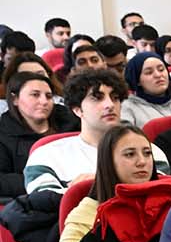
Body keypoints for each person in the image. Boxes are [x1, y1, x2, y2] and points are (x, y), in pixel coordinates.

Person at [28, 68, 160, 195]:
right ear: (77, 109)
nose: (110, 105)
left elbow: (158, 191)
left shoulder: (148, 151)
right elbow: (43, 201)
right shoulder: (46, 155)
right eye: (97, 98)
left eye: (115, 98)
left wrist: (92, 185)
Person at [58, 125, 156, 242]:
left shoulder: (168, 202)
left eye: (147, 153)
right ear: (108, 162)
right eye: (130, 154)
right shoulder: (82, 223)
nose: (142, 161)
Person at [0, 69, 78, 199]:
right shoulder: (3, 133)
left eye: (49, 96)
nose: (44, 101)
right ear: (15, 99)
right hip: (34, 200)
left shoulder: (73, 122)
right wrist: (48, 181)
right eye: (35, 95)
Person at [122, 50, 171, 129]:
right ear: (137, 81)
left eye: (161, 69)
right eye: (149, 72)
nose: (158, 75)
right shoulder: (128, 107)